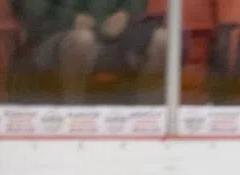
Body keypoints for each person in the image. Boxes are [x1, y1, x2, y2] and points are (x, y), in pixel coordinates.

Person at [13, 0, 167, 103]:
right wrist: (70, 20)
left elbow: (136, 3)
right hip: (53, 39)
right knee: (81, 40)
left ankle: (148, 121)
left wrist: (125, 14)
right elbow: (32, 12)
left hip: (119, 40)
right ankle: (74, 115)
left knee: (163, 39)